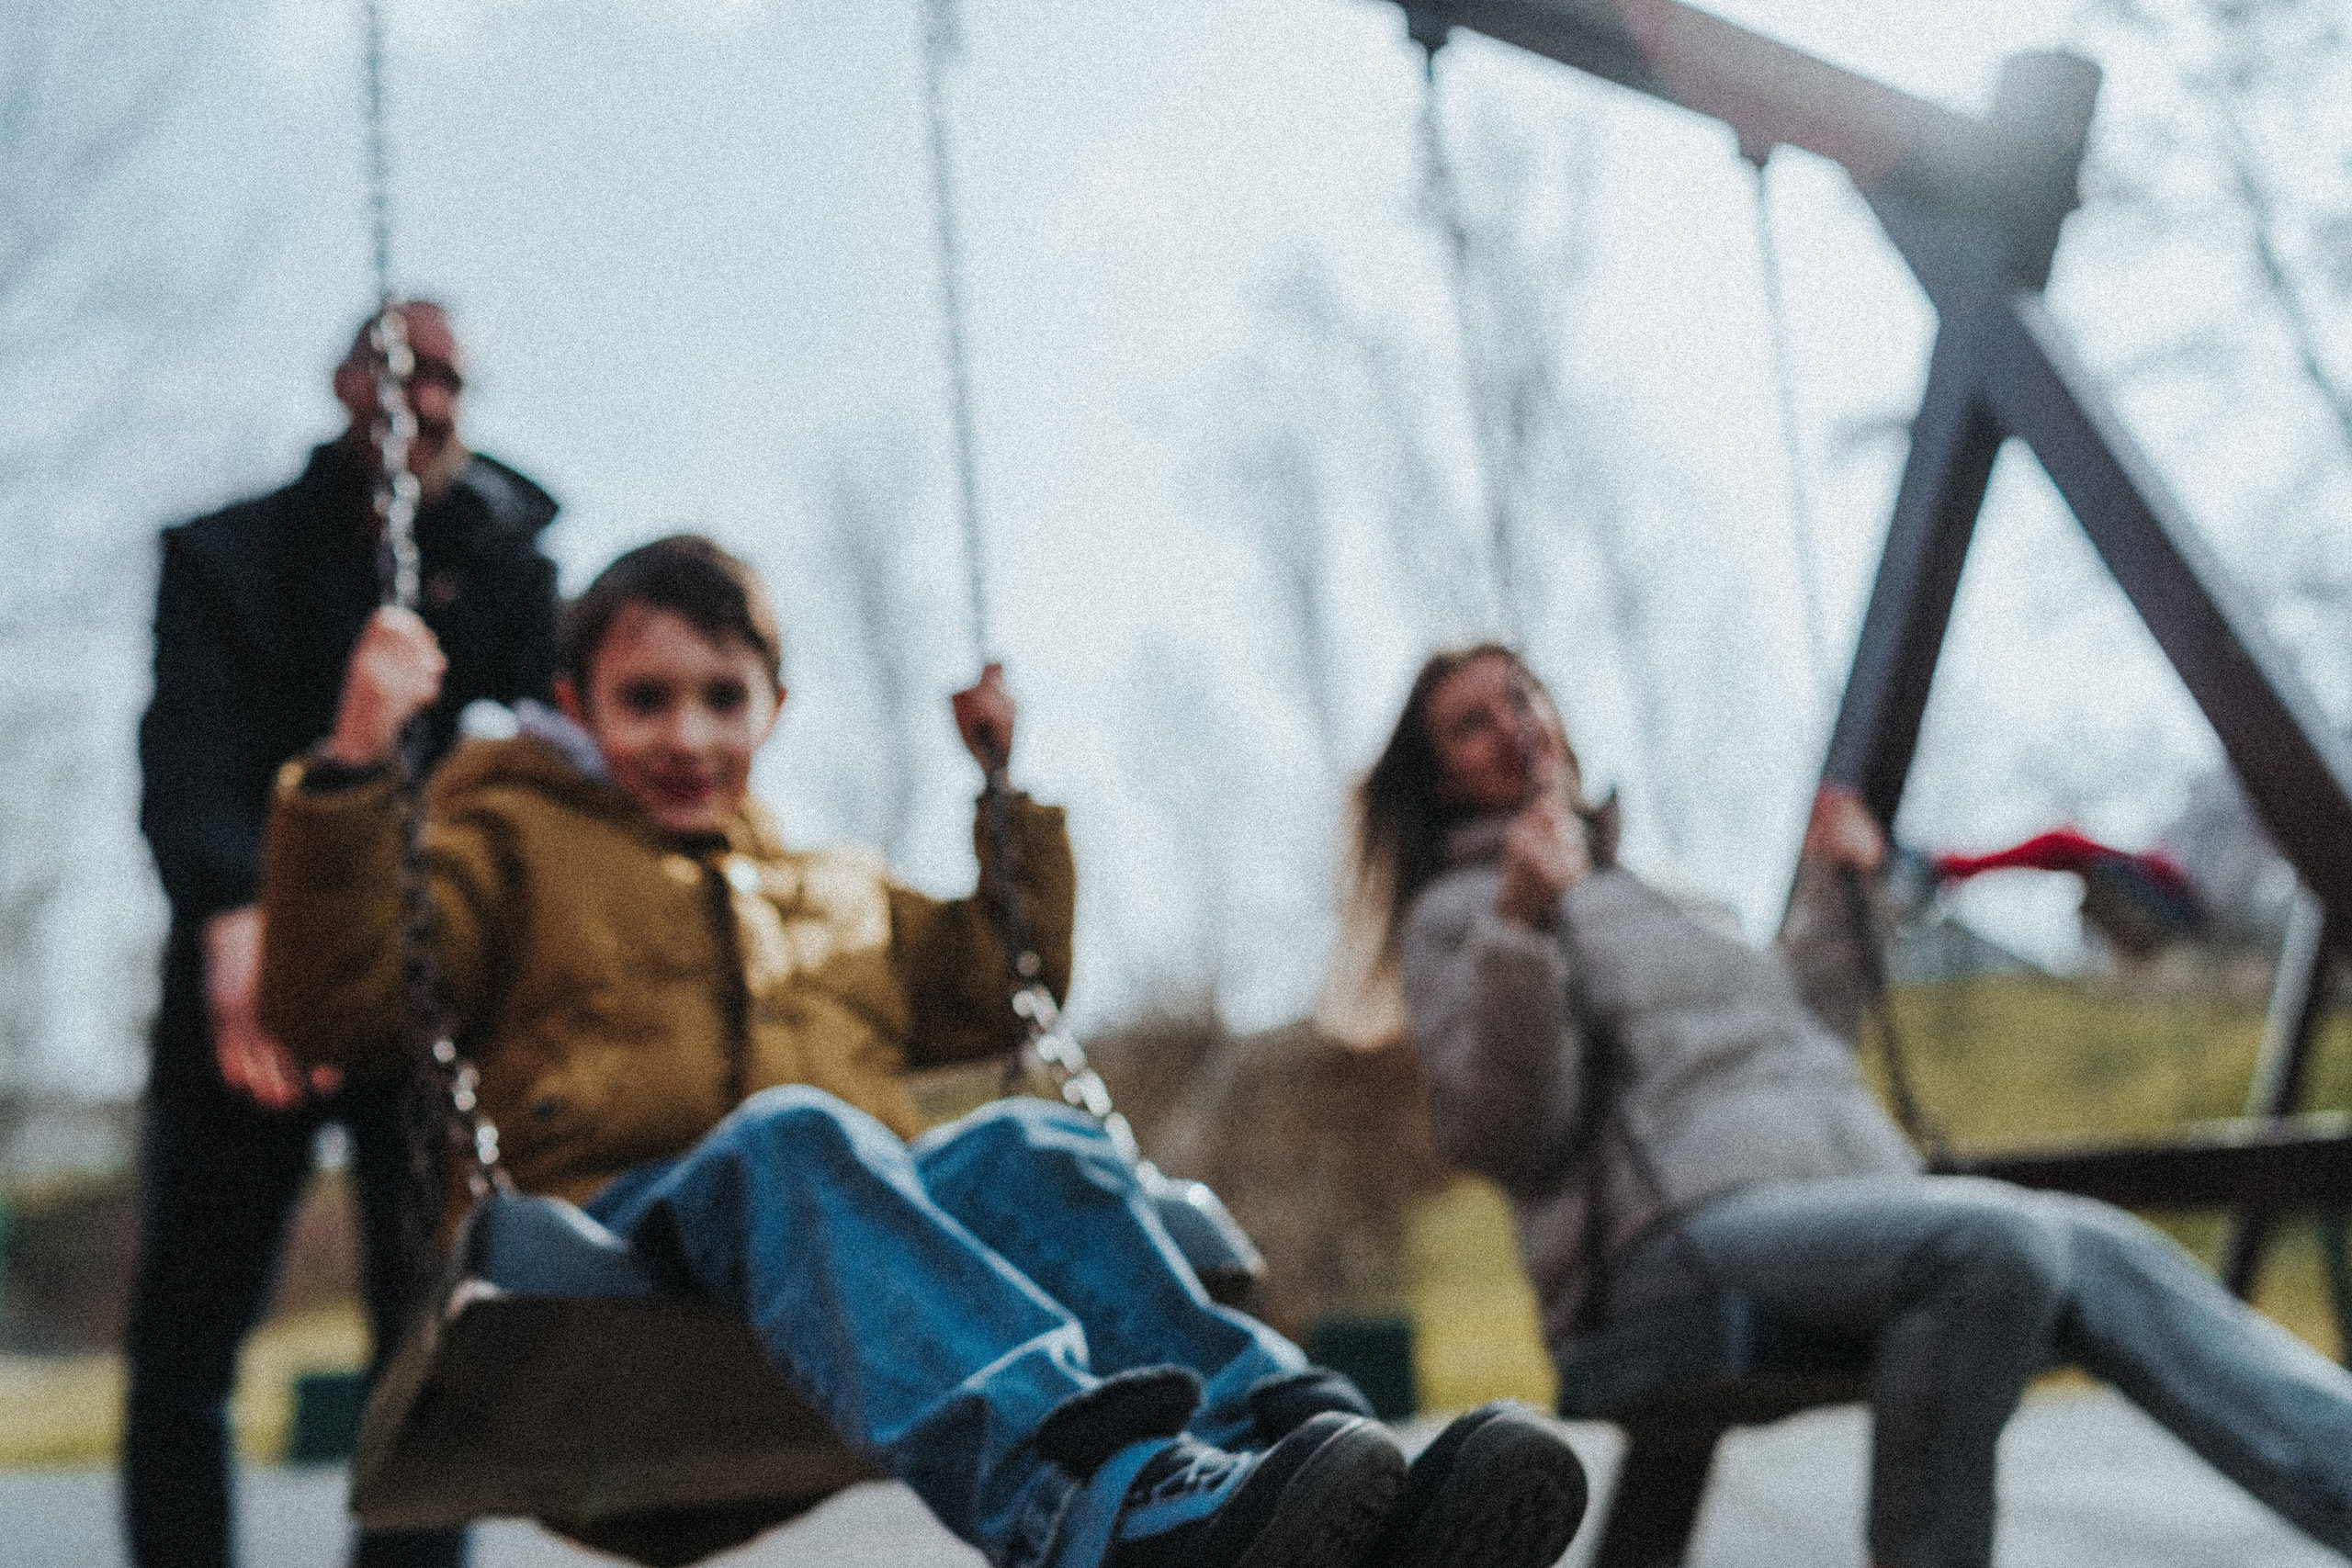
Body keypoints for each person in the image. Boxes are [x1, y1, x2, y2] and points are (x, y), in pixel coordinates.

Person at [254, 536, 1591, 1568]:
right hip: (619, 1245)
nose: (689, 733)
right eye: (645, 698)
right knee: (796, 1132)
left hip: (848, 1270)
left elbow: (1001, 985)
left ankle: (1299, 1456)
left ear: (777, 705)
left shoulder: (833, 888)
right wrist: (363, 756)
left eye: (726, 697)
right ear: (574, 702)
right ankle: (1081, 1497)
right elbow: (342, 1004)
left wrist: (1003, 795)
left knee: (1029, 1140)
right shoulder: (509, 843)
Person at [1363, 642, 2352, 1568]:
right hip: (1665, 1244)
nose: (1513, 725)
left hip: (1826, 1201)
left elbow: (1804, 1034)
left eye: (1520, 697)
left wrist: (1839, 891)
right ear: (1440, 777)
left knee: (2100, 1247)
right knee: (1987, 1247)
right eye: (1470, 724)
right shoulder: (1460, 917)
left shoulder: (1669, 892)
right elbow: (1507, 1136)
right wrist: (1519, 931)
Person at [131, 300, 560, 1568]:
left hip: (428, 986)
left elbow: (549, 759)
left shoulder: (512, 564)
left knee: (430, 1342)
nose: (425, 397)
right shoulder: (231, 553)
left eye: (448, 378)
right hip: (244, 968)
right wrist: (231, 915)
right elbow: (189, 749)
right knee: (185, 1348)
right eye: (400, 369)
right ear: (340, 382)